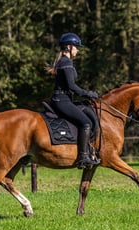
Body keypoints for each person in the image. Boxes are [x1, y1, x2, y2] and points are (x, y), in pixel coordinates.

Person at [45, 32, 100, 168]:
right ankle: (83, 157)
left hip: (64, 99)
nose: (78, 50)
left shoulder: (64, 62)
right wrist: (88, 94)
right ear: (69, 47)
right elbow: (72, 86)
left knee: (86, 110)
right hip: (62, 101)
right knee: (86, 123)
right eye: (76, 47)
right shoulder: (66, 62)